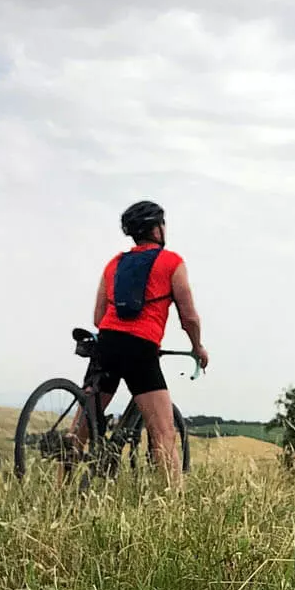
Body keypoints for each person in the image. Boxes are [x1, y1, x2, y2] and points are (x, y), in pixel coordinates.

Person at [89, 200, 208, 481]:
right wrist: (197, 346)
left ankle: (61, 492)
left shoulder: (114, 264)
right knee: (164, 433)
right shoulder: (171, 262)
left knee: (84, 427)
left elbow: (98, 316)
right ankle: (174, 507)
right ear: (156, 229)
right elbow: (189, 317)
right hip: (141, 348)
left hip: (106, 342)